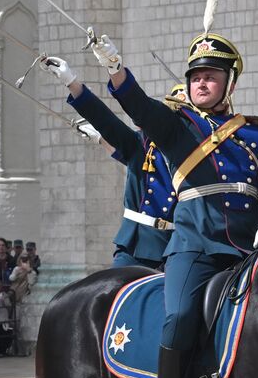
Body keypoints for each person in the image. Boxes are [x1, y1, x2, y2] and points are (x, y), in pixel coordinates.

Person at [88, 0, 258, 378]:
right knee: (180, 316)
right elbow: (140, 108)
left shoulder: (255, 135)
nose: (201, 82)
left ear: (230, 82)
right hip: (194, 248)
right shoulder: (179, 127)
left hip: (247, 252)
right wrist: (116, 71)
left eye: (210, 76)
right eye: (196, 76)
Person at [43, 57, 179, 269]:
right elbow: (106, 121)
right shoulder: (142, 146)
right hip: (137, 243)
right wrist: (72, 82)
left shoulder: (195, 155)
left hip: (178, 249)